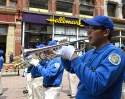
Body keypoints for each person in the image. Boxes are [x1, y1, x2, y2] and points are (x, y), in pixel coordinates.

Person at [53, 15, 125, 99]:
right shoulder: (90, 52)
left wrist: (73, 55)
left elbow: (96, 85)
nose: (88, 32)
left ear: (106, 32)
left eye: (93, 28)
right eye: (88, 29)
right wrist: (64, 56)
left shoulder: (114, 53)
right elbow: (71, 68)